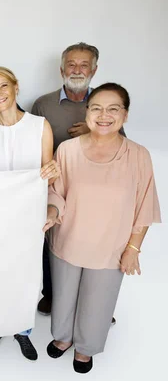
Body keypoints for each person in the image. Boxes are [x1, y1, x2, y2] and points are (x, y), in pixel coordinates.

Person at [43, 83, 161, 374]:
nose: (104, 115)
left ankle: (85, 348)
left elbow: (144, 205)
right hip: (69, 238)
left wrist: (133, 249)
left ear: (125, 115)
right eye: (96, 108)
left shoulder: (138, 155)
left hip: (111, 245)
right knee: (65, 297)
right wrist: (51, 211)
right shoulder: (67, 149)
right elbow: (57, 192)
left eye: (113, 109)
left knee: (98, 303)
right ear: (87, 111)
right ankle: (63, 338)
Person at [32, 42, 125, 316]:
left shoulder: (106, 106)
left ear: (94, 70)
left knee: (94, 243)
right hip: (56, 186)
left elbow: (124, 148)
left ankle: (93, 303)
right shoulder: (43, 104)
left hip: (97, 191)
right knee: (51, 240)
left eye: (84, 65)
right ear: (62, 69)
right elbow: (32, 143)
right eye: (71, 64)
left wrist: (97, 128)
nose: (77, 70)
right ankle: (51, 294)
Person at [0, 66, 59, 361]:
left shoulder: (40, 125)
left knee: (27, 275)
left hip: (30, 215)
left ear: (16, 87)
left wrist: (52, 171)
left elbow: (48, 174)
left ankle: (23, 330)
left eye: (3, 87)